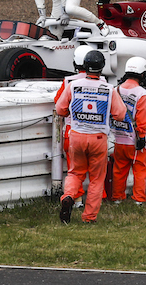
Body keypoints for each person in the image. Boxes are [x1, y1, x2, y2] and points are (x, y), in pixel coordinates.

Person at [55, 50, 126, 224]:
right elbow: (121, 114)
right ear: (102, 68)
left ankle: (69, 196)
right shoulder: (109, 89)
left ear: (84, 66)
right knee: (96, 179)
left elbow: (60, 109)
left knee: (74, 173)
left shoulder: (73, 85)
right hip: (98, 138)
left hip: (77, 136)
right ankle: (89, 217)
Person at [54, 44, 93, 206]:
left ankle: (76, 199)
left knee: (75, 169)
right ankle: (99, 199)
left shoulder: (68, 81)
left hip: (73, 131)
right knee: (97, 170)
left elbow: (59, 104)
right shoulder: (104, 81)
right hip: (96, 131)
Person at [111, 57, 146, 205]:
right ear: (143, 74)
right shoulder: (141, 93)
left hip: (119, 138)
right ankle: (138, 199)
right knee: (140, 170)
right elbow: (142, 118)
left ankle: (117, 197)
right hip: (135, 140)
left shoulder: (116, 90)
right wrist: (141, 136)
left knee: (119, 170)